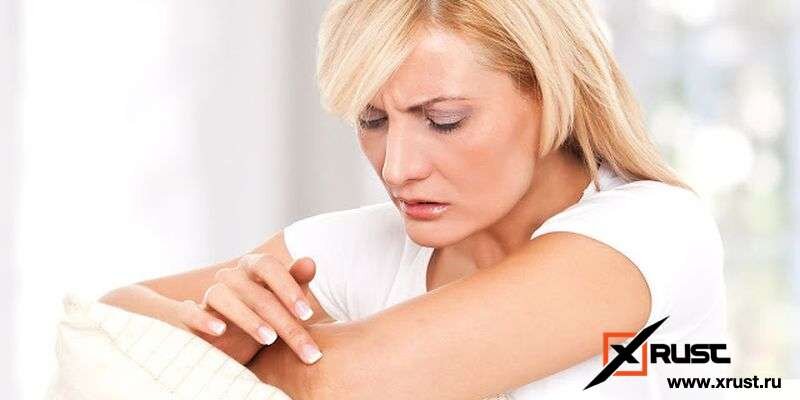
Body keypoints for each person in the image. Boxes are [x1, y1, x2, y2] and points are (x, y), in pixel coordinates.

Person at [99, 0, 729, 398]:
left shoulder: (654, 229)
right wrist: (217, 329)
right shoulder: (349, 249)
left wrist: (221, 357)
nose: (397, 168)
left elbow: (340, 383)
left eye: (444, 120)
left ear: (551, 95)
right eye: (372, 121)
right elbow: (107, 319)